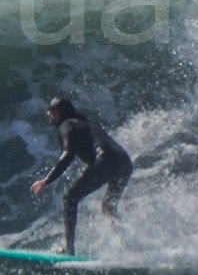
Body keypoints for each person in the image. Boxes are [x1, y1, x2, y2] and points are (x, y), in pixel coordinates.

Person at [28, 96, 133, 255]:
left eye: (52, 111)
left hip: (106, 160)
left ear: (61, 112)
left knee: (70, 198)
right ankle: (128, 241)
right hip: (125, 163)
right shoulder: (84, 123)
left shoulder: (66, 125)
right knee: (108, 207)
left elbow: (68, 155)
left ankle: (69, 249)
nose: (49, 114)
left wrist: (46, 180)